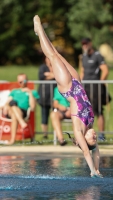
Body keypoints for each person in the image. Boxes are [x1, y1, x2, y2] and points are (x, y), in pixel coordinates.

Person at [33, 15, 102, 178]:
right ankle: (41, 32)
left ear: (84, 139)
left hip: (69, 88)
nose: (94, 136)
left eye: (91, 139)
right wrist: (98, 169)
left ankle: (39, 29)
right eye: (95, 138)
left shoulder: (79, 129)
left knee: (53, 57)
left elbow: (87, 152)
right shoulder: (91, 124)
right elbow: (96, 151)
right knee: (56, 52)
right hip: (77, 82)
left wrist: (92, 171)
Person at [79, 38, 109, 140]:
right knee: (86, 111)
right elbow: (82, 71)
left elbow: (105, 70)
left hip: (96, 86)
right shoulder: (83, 56)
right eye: (83, 44)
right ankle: (87, 134)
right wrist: (80, 84)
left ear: (90, 44)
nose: (84, 46)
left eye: (86, 44)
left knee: (98, 110)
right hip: (86, 87)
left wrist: (100, 82)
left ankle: (101, 134)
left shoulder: (97, 55)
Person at [1, 73, 39, 145]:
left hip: (23, 112)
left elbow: (33, 106)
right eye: (20, 82)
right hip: (11, 110)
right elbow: (8, 101)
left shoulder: (33, 92)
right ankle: (21, 122)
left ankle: (12, 140)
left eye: (24, 81)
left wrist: (30, 93)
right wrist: (5, 106)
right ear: (18, 82)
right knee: (12, 103)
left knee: (14, 114)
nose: (22, 83)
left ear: (27, 80)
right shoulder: (14, 91)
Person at [38, 55, 55, 139]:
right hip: (44, 95)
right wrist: (53, 75)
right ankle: (45, 134)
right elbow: (41, 77)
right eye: (47, 58)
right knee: (44, 115)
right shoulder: (42, 67)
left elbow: (58, 76)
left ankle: (56, 134)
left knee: (54, 114)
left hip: (54, 95)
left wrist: (48, 75)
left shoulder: (56, 67)